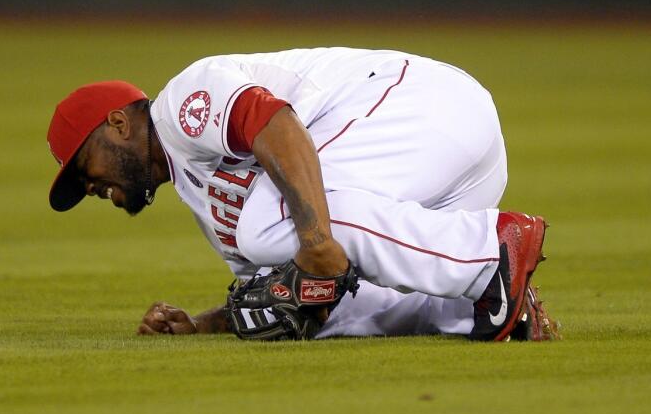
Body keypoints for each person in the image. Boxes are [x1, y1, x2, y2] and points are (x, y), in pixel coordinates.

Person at [46, 47, 559, 341]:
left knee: (273, 229)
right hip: (442, 175)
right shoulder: (201, 197)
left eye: (82, 168)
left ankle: (488, 251)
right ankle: (483, 304)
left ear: (117, 124)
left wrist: (314, 238)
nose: (88, 187)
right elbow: (288, 288)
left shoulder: (180, 106)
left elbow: (274, 122)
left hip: (424, 109)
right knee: (340, 304)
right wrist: (202, 326)